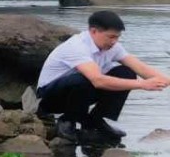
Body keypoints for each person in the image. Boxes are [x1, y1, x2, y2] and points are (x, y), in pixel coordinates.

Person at [36, 10, 169, 145]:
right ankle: (67, 121)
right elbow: (97, 81)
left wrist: (164, 81)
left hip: (81, 93)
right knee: (84, 78)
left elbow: (140, 68)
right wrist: (142, 85)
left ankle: (95, 120)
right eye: (110, 37)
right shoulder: (77, 46)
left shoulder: (113, 47)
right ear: (94, 31)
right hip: (50, 97)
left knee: (126, 72)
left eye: (117, 37)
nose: (114, 42)